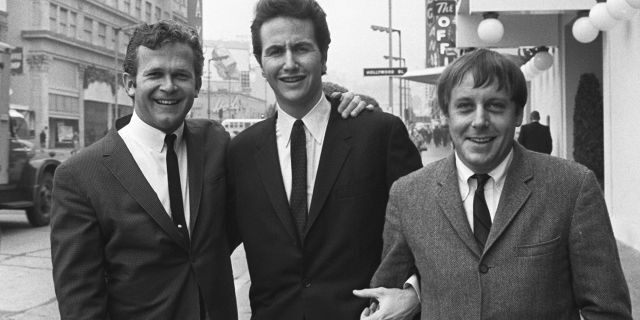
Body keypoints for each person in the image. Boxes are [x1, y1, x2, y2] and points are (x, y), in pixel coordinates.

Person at [50, 19, 369, 320]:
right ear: (130, 84)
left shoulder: (215, 142)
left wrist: (331, 100)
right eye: (155, 74)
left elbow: (281, 130)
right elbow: (81, 304)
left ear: (198, 85)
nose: (169, 86)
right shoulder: (80, 176)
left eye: (181, 75)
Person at [356, 49, 631, 319]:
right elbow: (388, 296)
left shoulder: (572, 187)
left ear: (518, 114)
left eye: (495, 106)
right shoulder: (409, 195)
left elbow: (606, 310)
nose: (479, 121)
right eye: (464, 107)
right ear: (445, 115)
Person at [226, 0, 423, 319]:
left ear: (324, 56)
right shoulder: (241, 152)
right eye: (275, 51)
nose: (289, 63)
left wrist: (413, 294)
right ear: (261, 64)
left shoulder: (379, 135)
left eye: (301, 48)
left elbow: (429, 231)